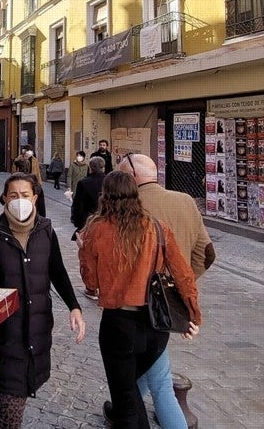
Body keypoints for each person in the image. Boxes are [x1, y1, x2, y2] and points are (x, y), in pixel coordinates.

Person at [78, 171, 201, 429]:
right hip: (156, 327)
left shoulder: (96, 229)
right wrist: (194, 315)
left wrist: (84, 251)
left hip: (119, 325)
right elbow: (184, 275)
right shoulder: (157, 227)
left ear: (105, 195)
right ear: (136, 194)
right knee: (136, 387)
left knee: (127, 402)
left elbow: (91, 284)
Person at [0, 173, 86, 429]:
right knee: (11, 407)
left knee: (25, 388)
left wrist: (74, 306)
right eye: (13, 195)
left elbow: (58, 271)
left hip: (38, 330)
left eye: (25, 195)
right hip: (7, 333)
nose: (20, 200)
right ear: (5, 199)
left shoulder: (46, 230)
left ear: (35, 198)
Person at [118, 153, 215, 429]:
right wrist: (177, 284)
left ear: (132, 178)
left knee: (159, 378)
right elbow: (206, 254)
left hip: (136, 304)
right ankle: (120, 406)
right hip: (169, 304)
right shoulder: (185, 201)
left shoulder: (128, 206)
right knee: (153, 362)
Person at [70, 156, 107, 298]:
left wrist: (77, 222)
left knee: (88, 256)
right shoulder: (109, 181)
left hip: (89, 223)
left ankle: (91, 288)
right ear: (103, 167)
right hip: (107, 221)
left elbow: (78, 205)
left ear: (90, 167)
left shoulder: (84, 183)